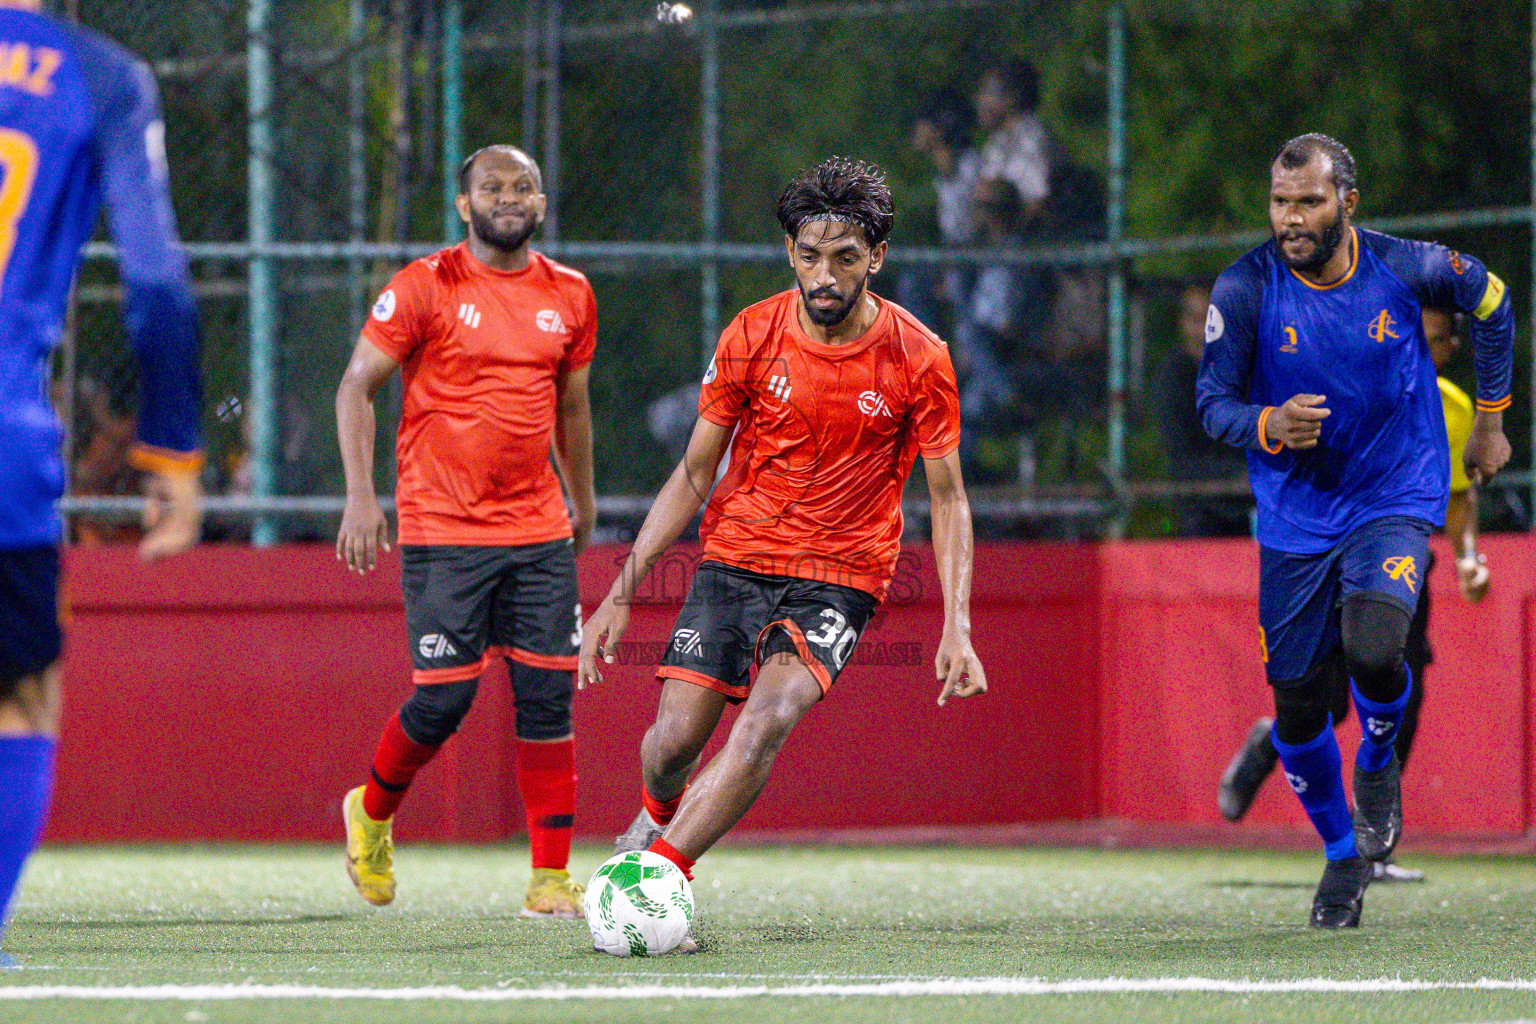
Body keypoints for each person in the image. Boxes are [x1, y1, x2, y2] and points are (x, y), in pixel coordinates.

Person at [579, 158, 988, 950]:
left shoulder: (919, 355)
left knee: (765, 722)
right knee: (669, 748)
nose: (824, 275)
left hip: (842, 576)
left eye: (844, 257)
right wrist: (623, 588)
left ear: (877, 257)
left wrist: (957, 625)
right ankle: (656, 818)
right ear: (790, 253)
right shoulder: (751, 334)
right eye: (809, 255)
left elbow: (948, 498)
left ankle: (655, 883)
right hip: (736, 557)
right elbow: (697, 470)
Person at [1197, 133, 1512, 928]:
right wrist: (1268, 420)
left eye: (1308, 201)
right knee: (1299, 712)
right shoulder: (1244, 290)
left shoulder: (1408, 269)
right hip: (1296, 517)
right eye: (1279, 201)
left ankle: (1377, 758)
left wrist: (1493, 422)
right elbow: (1212, 404)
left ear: (1349, 203)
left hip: (1392, 495)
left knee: (1378, 648)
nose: (1290, 218)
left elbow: (1496, 301)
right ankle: (1342, 856)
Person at [335, 145, 597, 920]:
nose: (508, 197)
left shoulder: (572, 296)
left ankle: (550, 879)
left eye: (523, 187)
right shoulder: (427, 285)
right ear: (464, 204)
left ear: (541, 205)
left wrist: (580, 502)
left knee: (547, 698)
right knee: (442, 704)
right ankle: (372, 814)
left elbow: (574, 409)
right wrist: (360, 497)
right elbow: (356, 387)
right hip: (443, 526)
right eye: (492, 186)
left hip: (539, 527)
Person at [0, 0, 205, 962]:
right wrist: (169, 449)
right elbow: (157, 283)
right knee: (22, 695)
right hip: (5, 441)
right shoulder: (100, 74)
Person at [1215, 306, 1491, 882]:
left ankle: (1374, 851)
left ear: (1450, 351)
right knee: (1332, 703)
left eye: (1437, 342)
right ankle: (1272, 741)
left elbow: (1460, 496)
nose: (1423, 350)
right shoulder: (1347, 389)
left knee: (1401, 698)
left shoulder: (1456, 410)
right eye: (1415, 338)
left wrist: (1467, 558)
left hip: (1404, 565)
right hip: (1331, 562)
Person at [1154, 282, 1251, 537]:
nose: (1205, 329)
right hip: (1198, 508)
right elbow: (1180, 456)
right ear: (1183, 323)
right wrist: (1236, 474)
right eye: (1196, 319)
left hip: (1244, 506)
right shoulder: (1173, 375)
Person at [900, 90, 981, 332]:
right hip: (956, 254)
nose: (916, 129)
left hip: (976, 254)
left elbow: (975, 227)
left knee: (949, 287)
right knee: (912, 282)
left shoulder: (971, 165)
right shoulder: (945, 171)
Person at [974, 58, 1058, 225]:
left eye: (988, 92)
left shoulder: (1032, 138)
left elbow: (1038, 201)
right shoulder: (997, 141)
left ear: (1012, 97)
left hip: (1032, 239)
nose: (980, 100)